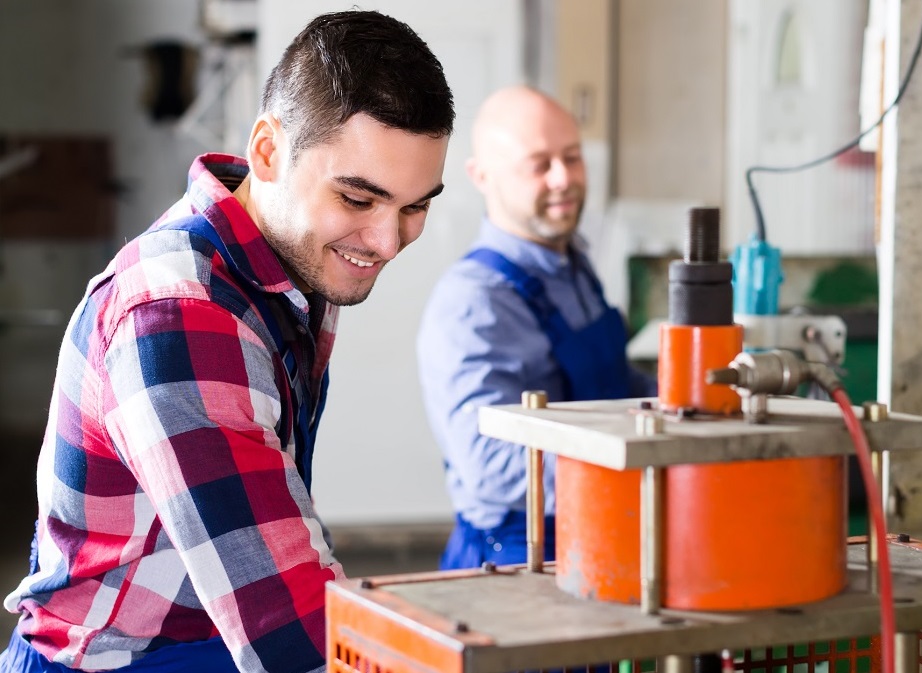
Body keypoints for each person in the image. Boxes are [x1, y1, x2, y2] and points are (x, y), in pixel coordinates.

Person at [0, 10, 453, 673]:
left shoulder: (297, 265)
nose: (387, 242)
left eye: (415, 206)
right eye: (358, 199)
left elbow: (279, 533)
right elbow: (290, 635)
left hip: (204, 636)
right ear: (268, 151)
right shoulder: (180, 316)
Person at [416, 85, 656, 571]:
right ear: (481, 175)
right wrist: (639, 466)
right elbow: (489, 465)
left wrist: (684, 403)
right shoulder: (473, 302)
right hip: (519, 557)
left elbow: (606, 385)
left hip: (601, 531)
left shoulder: (574, 264)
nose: (564, 178)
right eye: (539, 164)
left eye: (572, 157)